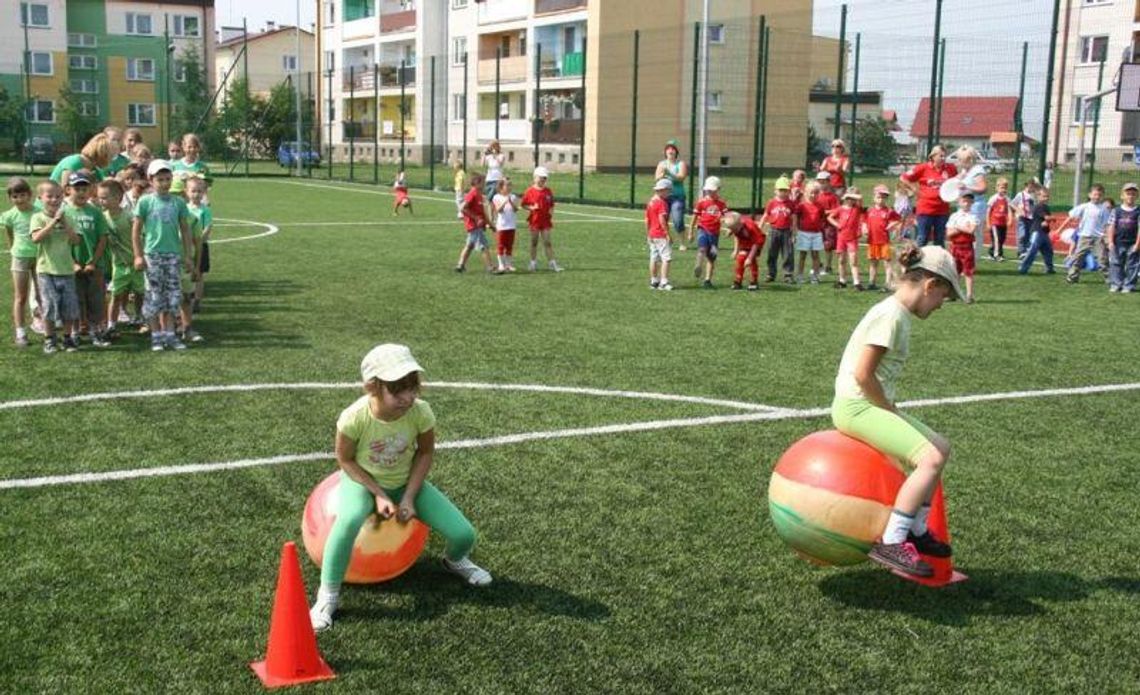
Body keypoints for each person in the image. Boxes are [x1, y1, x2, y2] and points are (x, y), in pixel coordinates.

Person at [309, 343, 491, 631]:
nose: (408, 397)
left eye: (413, 388)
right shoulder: (354, 417)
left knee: (464, 534)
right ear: (373, 387)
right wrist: (379, 495)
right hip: (363, 483)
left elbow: (425, 453)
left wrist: (408, 497)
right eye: (397, 390)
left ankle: (454, 561)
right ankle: (327, 596)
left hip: (405, 484)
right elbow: (345, 460)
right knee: (349, 520)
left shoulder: (421, 412)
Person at [832, 243, 963, 578]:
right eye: (942, 298)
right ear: (929, 285)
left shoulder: (898, 314)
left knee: (941, 447)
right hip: (856, 407)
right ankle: (892, 541)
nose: (940, 307)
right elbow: (863, 373)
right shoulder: (890, 315)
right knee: (929, 459)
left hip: (869, 404)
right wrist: (887, 409)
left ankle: (917, 530)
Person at [131, 159, 194, 351]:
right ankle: (156, 335)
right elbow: (136, 231)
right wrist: (138, 255)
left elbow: (185, 230)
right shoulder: (145, 202)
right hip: (153, 256)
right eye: (160, 179)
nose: (164, 183)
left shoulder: (179, 203)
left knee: (172, 296)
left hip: (173, 256)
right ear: (151, 180)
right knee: (154, 296)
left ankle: (170, 334)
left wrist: (188, 256)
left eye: (167, 179)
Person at [30, 181, 82, 354]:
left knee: (69, 306)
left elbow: (77, 241)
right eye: (49, 196)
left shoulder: (70, 217)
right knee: (50, 306)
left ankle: (67, 338)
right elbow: (36, 238)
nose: (54, 200)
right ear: (40, 198)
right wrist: (53, 223)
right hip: (46, 270)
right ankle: (50, 338)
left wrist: (65, 223)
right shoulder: (37, 217)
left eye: (58, 196)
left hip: (66, 269)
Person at [62, 171, 111, 347]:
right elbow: (62, 242)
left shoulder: (96, 212)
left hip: (95, 266)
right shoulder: (64, 212)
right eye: (77, 189)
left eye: (85, 189)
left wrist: (93, 262)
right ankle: (75, 332)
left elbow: (102, 239)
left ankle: (95, 332)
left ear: (91, 190)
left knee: (96, 301)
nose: (81, 192)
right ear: (68, 190)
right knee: (74, 300)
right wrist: (73, 263)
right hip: (71, 266)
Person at [96, 179, 142, 340]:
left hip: (135, 263)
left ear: (118, 198)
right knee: (115, 295)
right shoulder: (101, 217)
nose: (101, 201)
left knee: (139, 292)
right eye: (99, 197)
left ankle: (139, 318)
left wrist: (139, 256)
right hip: (119, 265)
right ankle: (111, 325)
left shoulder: (129, 216)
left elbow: (140, 237)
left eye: (104, 197)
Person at [2, 177, 39, 347]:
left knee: (42, 294)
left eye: (22, 195)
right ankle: (20, 332)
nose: (19, 199)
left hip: (40, 257)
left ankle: (47, 329)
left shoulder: (39, 211)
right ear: (10, 198)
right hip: (20, 258)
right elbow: (9, 233)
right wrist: (13, 250)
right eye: (15, 196)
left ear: (29, 195)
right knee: (20, 296)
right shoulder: (9, 215)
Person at [899, 145, 958, 247]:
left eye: (945, 156)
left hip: (942, 210)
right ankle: (918, 261)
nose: (943, 158)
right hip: (925, 209)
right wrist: (914, 189)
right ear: (933, 156)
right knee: (923, 238)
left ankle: (938, 262)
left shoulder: (950, 168)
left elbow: (957, 181)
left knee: (939, 239)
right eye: (941, 156)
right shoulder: (923, 168)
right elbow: (903, 177)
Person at [180, 176, 209, 340]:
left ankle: (186, 327)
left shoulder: (192, 217)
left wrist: (197, 267)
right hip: (167, 261)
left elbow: (198, 243)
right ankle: (166, 330)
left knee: (185, 297)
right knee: (168, 298)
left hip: (186, 261)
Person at [1065, 184, 1110, 285]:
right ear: (1090, 195)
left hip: (1098, 237)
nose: (1097, 197)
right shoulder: (1084, 207)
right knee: (1078, 257)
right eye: (1095, 194)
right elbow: (1071, 215)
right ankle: (1072, 277)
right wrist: (1061, 228)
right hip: (1084, 236)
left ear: (1102, 196)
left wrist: (1106, 237)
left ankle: (1109, 279)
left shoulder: (1104, 209)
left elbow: (1107, 223)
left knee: (1102, 259)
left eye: (1099, 195)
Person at [520, 166, 561, 272]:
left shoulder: (548, 191)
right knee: (534, 242)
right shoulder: (530, 191)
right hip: (535, 220)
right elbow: (523, 204)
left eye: (545, 178)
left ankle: (552, 263)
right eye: (541, 177)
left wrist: (550, 214)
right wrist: (531, 208)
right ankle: (533, 263)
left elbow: (551, 204)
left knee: (547, 242)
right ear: (535, 177)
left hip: (545, 221)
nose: (543, 180)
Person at [689, 176, 727, 288]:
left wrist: (728, 227)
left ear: (718, 189)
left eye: (712, 191)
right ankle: (698, 264)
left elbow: (726, 217)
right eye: (708, 190)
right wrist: (691, 231)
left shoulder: (721, 203)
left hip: (714, 233)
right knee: (702, 248)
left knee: (711, 257)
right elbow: (694, 218)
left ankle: (707, 280)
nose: (710, 193)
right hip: (703, 229)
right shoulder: (701, 202)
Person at [758, 177, 797, 284]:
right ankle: (771, 273)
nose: (783, 193)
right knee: (772, 252)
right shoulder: (771, 203)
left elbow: (793, 218)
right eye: (781, 190)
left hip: (786, 231)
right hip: (773, 230)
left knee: (788, 254)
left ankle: (788, 274)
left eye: (785, 190)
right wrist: (758, 229)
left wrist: (794, 233)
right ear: (775, 190)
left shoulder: (791, 203)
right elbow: (765, 215)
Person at [865, 185, 902, 292]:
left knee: (887, 263)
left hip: (884, 241)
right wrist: (864, 229)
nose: (880, 200)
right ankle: (872, 282)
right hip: (872, 241)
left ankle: (887, 284)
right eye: (878, 197)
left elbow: (899, 219)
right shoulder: (870, 211)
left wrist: (892, 225)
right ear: (874, 197)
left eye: (883, 198)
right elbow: (864, 222)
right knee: (873, 263)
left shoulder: (889, 211)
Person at [456, 173, 495, 273]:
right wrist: (476, 218)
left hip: (477, 225)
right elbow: (463, 208)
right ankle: (490, 267)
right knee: (483, 245)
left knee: (470, 245)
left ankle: (460, 265)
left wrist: (491, 224)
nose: (484, 184)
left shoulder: (479, 195)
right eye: (483, 182)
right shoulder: (472, 193)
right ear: (477, 183)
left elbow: (482, 213)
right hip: (474, 225)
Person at [1106, 182, 1140, 293]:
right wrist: (1110, 241)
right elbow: (1111, 226)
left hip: (1133, 243)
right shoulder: (1116, 210)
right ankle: (1116, 284)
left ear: (1137, 196)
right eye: (1128, 193)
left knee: (1132, 265)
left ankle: (1129, 285)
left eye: (1133, 194)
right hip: (1118, 242)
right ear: (1122, 196)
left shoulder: (1138, 211)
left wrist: (1137, 244)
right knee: (1115, 263)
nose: (1130, 196)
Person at [828, 188, 865, 290]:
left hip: (852, 238)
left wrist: (852, 194)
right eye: (848, 198)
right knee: (841, 260)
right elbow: (830, 217)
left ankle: (856, 282)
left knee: (853, 261)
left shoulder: (857, 208)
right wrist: (837, 224)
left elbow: (860, 198)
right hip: (841, 238)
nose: (850, 200)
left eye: (852, 199)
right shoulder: (840, 209)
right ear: (845, 199)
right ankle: (842, 280)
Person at [654, 140, 689, 250]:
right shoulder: (661, 164)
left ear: (676, 152)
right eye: (668, 148)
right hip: (664, 197)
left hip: (677, 196)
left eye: (673, 148)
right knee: (662, 219)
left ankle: (682, 242)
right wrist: (662, 175)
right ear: (665, 151)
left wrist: (669, 173)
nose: (671, 150)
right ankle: (667, 240)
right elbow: (656, 179)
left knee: (678, 219)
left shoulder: (681, 163)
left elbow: (681, 177)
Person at [946, 193, 980, 303]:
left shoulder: (973, 216)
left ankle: (969, 295)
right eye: (964, 201)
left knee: (968, 271)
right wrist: (963, 228)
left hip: (967, 246)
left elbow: (971, 230)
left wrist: (957, 227)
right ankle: (953, 293)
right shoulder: (954, 216)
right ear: (959, 202)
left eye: (969, 201)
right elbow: (949, 233)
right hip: (955, 246)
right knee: (955, 271)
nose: (967, 204)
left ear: (972, 203)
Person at [1017, 185, 1056, 275]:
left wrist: (1048, 221)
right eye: (1044, 196)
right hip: (1037, 232)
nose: (1046, 198)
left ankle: (1049, 268)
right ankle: (1023, 268)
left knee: (1048, 251)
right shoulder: (1039, 206)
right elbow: (1046, 217)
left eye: (1047, 196)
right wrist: (1051, 218)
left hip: (1044, 233)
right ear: (1038, 197)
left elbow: (1046, 219)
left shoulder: (1046, 207)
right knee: (1032, 251)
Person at [723, 211, 765, 291]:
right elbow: (737, 236)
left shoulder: (750, 227)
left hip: (756, 242)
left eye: (733, 229)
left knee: (751, 261)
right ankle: (738, 280)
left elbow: (756, 244)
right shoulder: (737, 227)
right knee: (740, 258)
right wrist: (736, 250)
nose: (732, 230)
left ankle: (754, 281)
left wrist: (749, 257)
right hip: (745, 241)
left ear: (739, 224)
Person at [794, 182, 826, 284]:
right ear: (806, 192)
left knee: (815, 255)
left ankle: (815, 276)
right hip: (803, 233)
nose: (813, 195)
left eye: (816, 193)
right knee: (802, 255)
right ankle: (800, 275)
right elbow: (796, 217)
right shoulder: (801, 205)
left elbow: (822, 218)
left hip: (816, 233)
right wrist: (796, 230)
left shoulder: (820, 206)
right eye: (811, 193)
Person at [646, 178, 673, 291]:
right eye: (668, 191)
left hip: (652, 234)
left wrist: (648, 233)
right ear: (663, 190)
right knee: (666, 258)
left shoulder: (650, 202)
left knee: (654, 258)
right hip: (660, 234)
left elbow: (647, 219)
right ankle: (664, 281)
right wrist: (667, 234)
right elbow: (662, 219)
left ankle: (654, 281)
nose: (669, 193)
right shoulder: (661, 203)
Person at [491, 178, 519, 273]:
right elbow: (499, 210)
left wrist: (511, 202)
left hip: (511, 225)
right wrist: (505, 201)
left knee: (509, 245)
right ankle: (501, 265)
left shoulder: (513, 197)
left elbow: (516, 209)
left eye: (510, 185)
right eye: (507, 185)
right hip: (502, 226)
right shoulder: (496, 197)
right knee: (501, 245)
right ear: (501, 187)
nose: (509, 187)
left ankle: (508, 264)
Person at [816, 172, 841, 275]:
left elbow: (837, 209)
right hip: (817, 224)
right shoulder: (816, 195)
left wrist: (825, 212)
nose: (821, 184)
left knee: (828, 246)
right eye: (819, 182)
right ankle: (818, 264)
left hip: (828, 225)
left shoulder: (833, 197)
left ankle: (828, 266)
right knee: (815, 245)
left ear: (828, 182)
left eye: (824, 182)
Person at [171, 133, 210, 197]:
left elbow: (205, 187)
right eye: (189, 147)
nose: (192, 149)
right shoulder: (174, 166)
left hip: (193, 202)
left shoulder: (202, 167)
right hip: (176, 201)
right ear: (183, 147)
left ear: (198, 148)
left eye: (195, 147)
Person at [1011, 178, 1039, 259]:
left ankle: (1027, 250)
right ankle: (1021, 251)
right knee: (1022, 234)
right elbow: (1012, 204)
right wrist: (1018, 210)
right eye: (1031, 186)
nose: (1033, 188)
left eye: (1034, 186)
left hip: (1031, 218)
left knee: (1029, 234)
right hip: (1022, 217)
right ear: (1027, 185)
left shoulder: (1034, 195)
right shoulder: (1021, 194)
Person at [986, 178, 1011, 261]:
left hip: (1003, 223)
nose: (1003, 190)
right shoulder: (993, 198)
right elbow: (988, 211)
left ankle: (991, 252)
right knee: (997, 239)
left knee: (1002, 239)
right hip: (995, 223)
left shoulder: (1007, 199)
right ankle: (997, 255)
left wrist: (1010, 219)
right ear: (997, 188)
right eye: (1001, 187)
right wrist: (988, 223)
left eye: (1005, 188)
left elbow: (1009, 210)